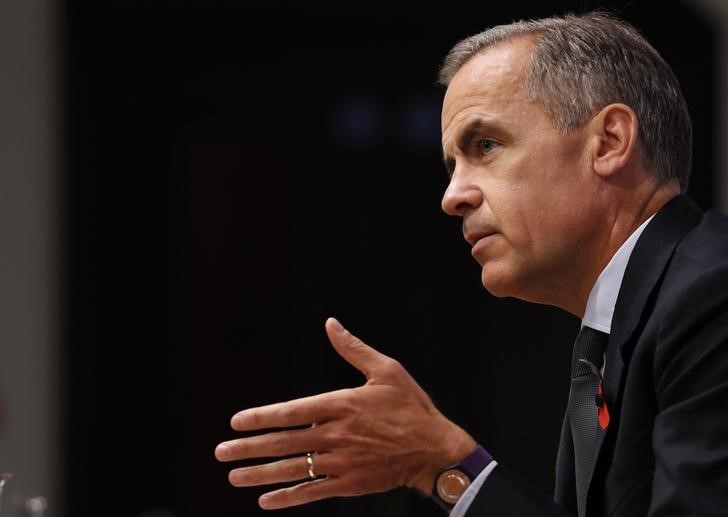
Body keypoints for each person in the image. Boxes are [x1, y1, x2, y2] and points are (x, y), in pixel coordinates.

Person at [215, 12, 728, 516]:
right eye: (452, 165)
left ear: (610, 142)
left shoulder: (711, 295)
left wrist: (446, 467)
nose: (452, 196)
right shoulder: (633, 320)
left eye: (485, 145)